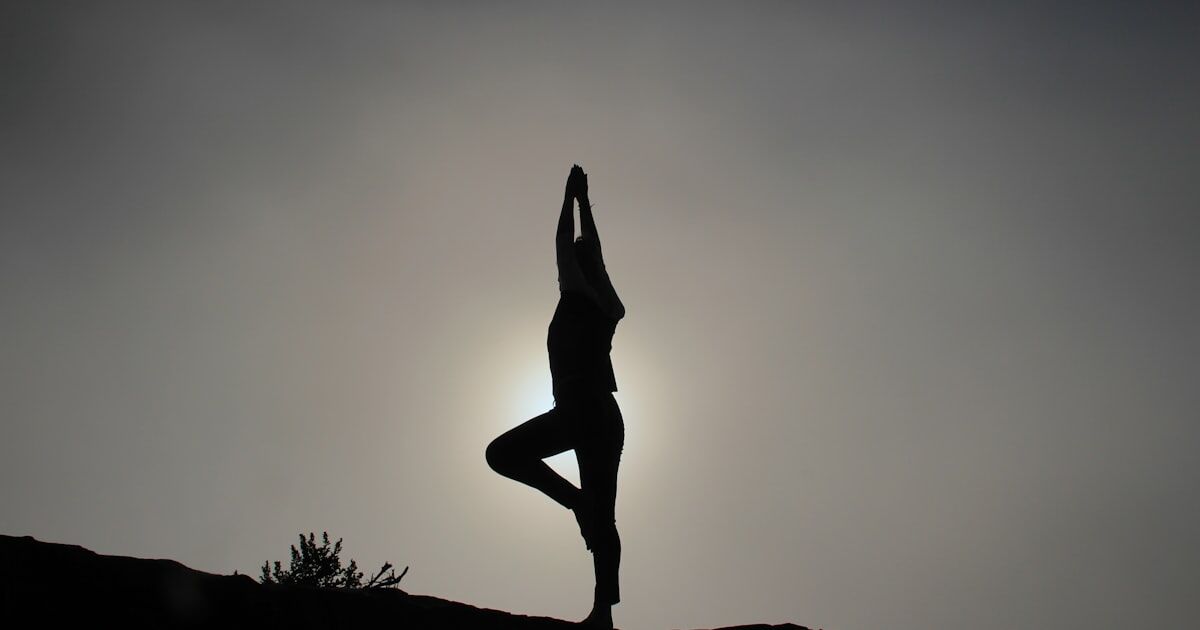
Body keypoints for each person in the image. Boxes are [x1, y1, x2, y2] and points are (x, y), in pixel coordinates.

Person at [486, 164, 626, 628]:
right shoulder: (608, 303)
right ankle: (603, 612)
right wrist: (585, 203)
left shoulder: (579, 293)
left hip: (579, 407)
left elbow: (569, 246)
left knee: (501, 454)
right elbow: (595, 252)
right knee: (604, 516)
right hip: (605, 414)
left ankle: (576, 503)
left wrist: (570, 201)